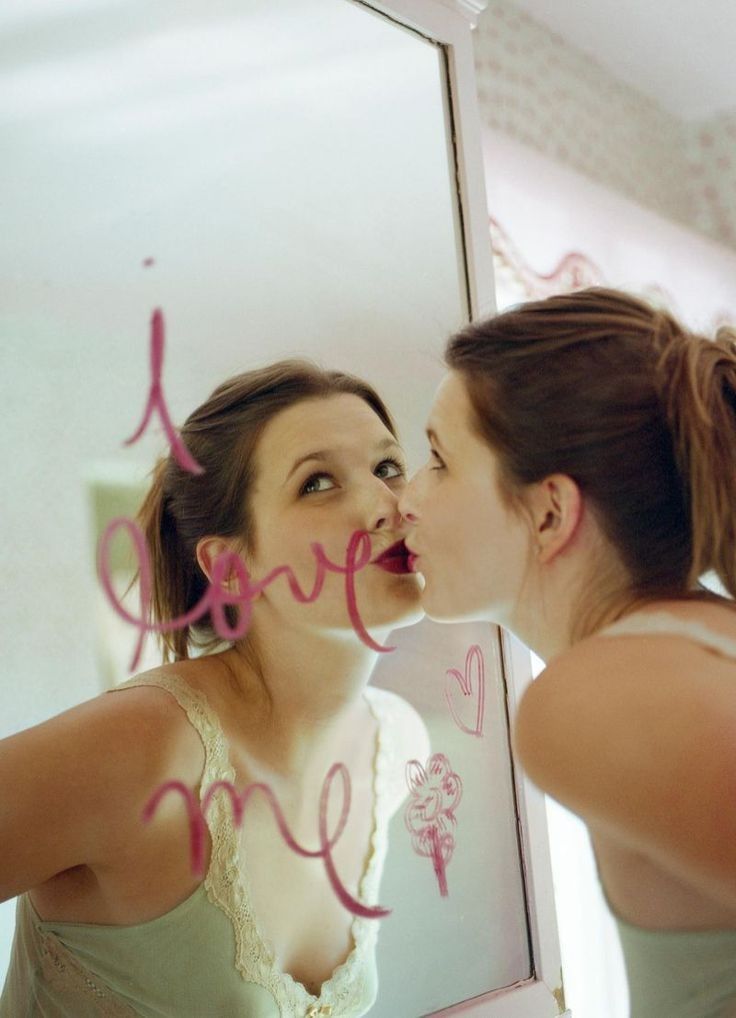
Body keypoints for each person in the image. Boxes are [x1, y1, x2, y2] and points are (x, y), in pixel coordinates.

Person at [0, 359, 429, 1017]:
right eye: (318, 483)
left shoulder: (398, 744)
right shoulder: (146, 746)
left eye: (388, 467)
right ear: (229, 566)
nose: (385, 506)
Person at [398, 286, 736, 1018]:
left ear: (550, 511)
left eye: (439, 461)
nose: (406, 502)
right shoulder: (695, 642)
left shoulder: (590, 697)